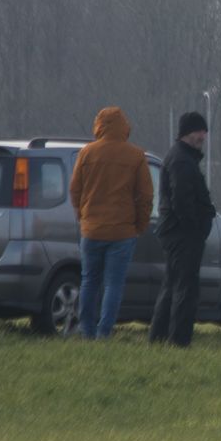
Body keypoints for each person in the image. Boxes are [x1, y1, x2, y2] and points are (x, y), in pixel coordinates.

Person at [69, 106, 155, 340]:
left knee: (89, 281)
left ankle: (86, 331)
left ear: (99, 125)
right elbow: (146, 196)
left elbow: (75, 189)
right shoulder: (136, 156)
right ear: (123, 126)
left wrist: (82, 215)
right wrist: (140, 225)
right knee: (113, 285)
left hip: (91, 229)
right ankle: (104, 332)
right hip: (122, 231)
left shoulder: (86, 153)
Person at [150, 111, 217, 346]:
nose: (204, 136)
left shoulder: (181, 158)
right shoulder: (181, 160)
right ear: (189, 133)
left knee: (172, 286)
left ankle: (159, 337)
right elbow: (182, 201)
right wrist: (197, 228)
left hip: (177, 233)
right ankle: (178, 339)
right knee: (184, 289)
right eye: (200, 131)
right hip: (183, 235)